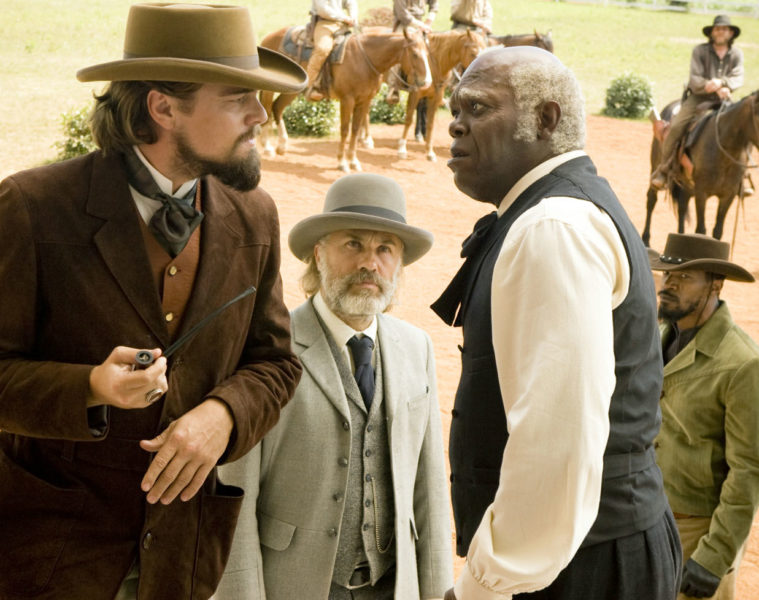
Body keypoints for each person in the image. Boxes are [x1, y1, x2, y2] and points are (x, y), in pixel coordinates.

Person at [0, 4, 306, 599]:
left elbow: (276, 363)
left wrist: (224, 415)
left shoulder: (255, 214)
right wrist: (90, 386)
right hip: (49, 561)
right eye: (238, 97)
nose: (261, 114)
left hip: (183, 562)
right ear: (163, 108)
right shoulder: (32, 207)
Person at [432, 46, 681, 599]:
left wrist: (486, 584)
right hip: (589, 550)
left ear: (545, 119)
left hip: (574, 566)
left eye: (477, 107)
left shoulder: (553, 226)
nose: (455, 124)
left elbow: (557, 437)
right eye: (455, 109)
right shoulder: (556, 212)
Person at [213, 173, 453, 600]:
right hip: (294, 587)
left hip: (392, 587)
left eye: (385, 249)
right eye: (353, 244)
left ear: (399, 263)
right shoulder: (265, 347)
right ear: (319, 254)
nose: (369, 264)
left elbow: (429, 490)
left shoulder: (417, 348)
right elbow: (235, 497)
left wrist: (437, 594)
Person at [649, 233, 759, 600]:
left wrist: (715, 555)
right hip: (647, 516)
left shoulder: (743, 363)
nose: (670, 284)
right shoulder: (657, 337)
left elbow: (748, 469)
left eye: (685, 277)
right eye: (668, 274)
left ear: (716, 285)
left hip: (700, 529)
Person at [651, 15, 743, 190]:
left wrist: (723, 84)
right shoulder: (700, 51)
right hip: (698, 97)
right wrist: (712, 86)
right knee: (676, 126)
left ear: (731, 33)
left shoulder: (736, 54)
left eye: (724, 29)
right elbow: (695, 78)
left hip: (724, 98)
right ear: (712, 32)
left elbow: (738, 76)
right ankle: (664, 169)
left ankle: (741, 175)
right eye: (717, 29)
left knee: (742, 126)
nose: (721, 32)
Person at [304, 0, 358, 102]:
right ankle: (309, 85)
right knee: (323, 49)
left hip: (342, 26)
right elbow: (323, 10)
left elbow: (350, 2)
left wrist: (353, 16)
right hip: (324, 24)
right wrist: (344, 18)